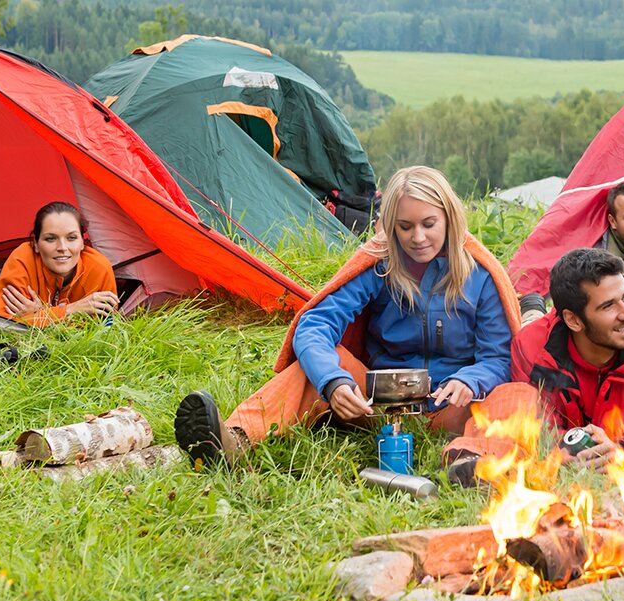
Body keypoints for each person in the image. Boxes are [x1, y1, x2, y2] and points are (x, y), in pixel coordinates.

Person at [173, 165, 525, 468]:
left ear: (450, 218)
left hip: (454, 405)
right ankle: (234, 440)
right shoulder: (380, 265)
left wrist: (471, 380)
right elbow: (315, 325)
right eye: (405, 227)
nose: (418, 238)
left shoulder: (479, 274)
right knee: (324, 366)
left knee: (515, 394)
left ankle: (473, 461)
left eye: (429, 224)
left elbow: (498, 356)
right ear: (390, 226)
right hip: (379, 403)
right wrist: (334, 382)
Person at [443, 248, 624, 470]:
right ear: (574, 320)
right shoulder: (531, 346)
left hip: (613, 431)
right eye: (608, 306)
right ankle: (532, 308)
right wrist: (561, 452)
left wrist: (620, 451)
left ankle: (533, 307)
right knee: (515, 391)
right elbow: (535, 425)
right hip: (547, 333)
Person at [0, 202, 118, 326]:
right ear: (36, 244)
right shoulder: (22, 257)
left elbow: (101, 329)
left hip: (20, 282)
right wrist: (70, 310)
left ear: (82, 243)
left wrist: (43, 312)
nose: (62, 247)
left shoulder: (99, 268)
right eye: (50, 239)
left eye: (71, 238)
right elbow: (3, 323)